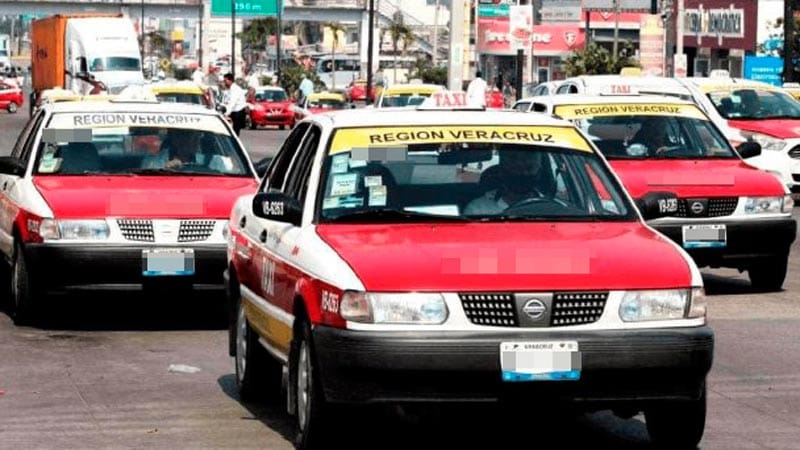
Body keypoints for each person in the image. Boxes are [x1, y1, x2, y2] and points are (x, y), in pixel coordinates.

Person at [464, 149, 548, 215]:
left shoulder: (551, 208)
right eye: (515, 168)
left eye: (529, 168)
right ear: (501, 172)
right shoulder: (478, 209)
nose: (523, 173)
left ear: (539, 172)